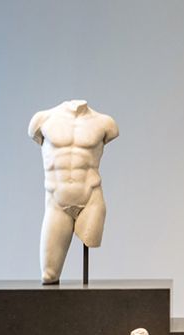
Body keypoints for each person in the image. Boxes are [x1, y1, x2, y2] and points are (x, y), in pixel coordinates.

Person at [28, 100, 119, 284]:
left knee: (53, 274)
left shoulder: (105, 123)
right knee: (49, 276)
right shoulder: (42, 120)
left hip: (91, 199)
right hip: (56, 202)